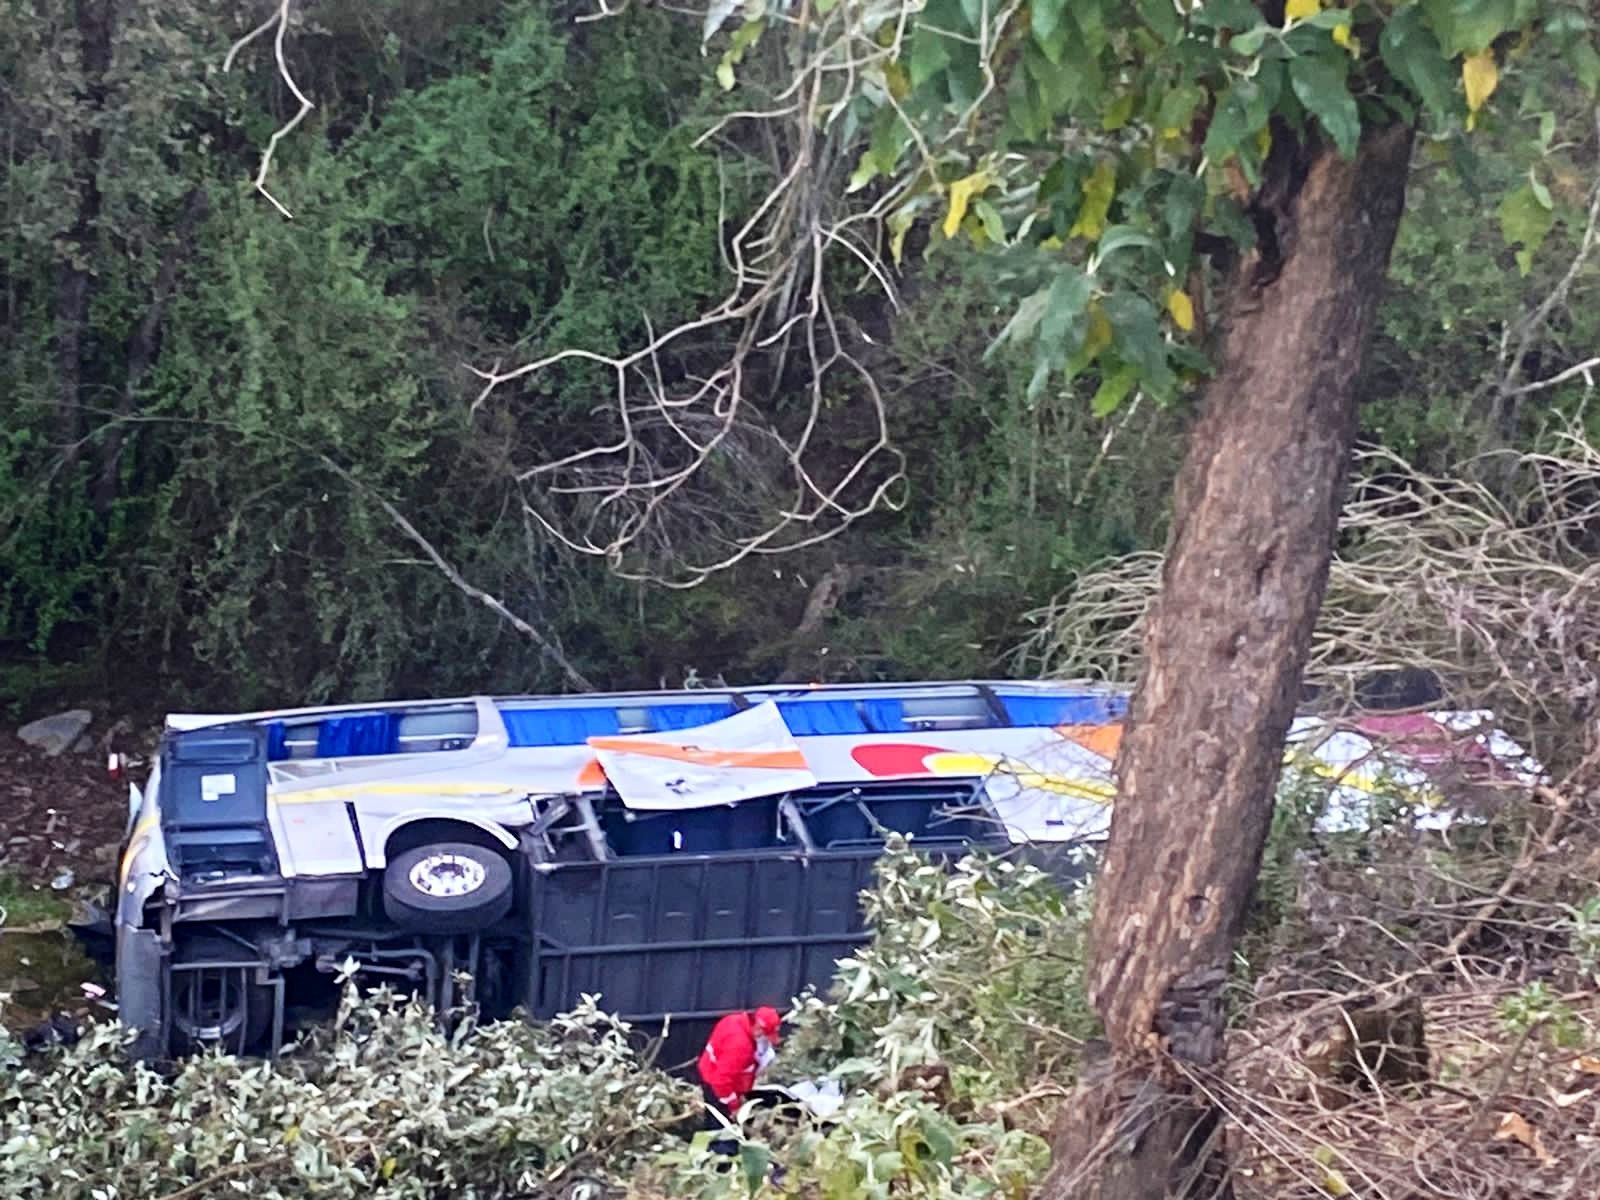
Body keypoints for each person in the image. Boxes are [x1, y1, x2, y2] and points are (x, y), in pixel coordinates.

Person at [697, 1005, 783, 1117]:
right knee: (719, 1127)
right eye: (766, 1036)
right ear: (758, 1029)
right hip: (717, 1088)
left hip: (709, 1071)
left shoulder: (734, 1020)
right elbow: (721, 1080)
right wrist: (734, 1105)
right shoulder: (741, 1047)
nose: (766, 1040)